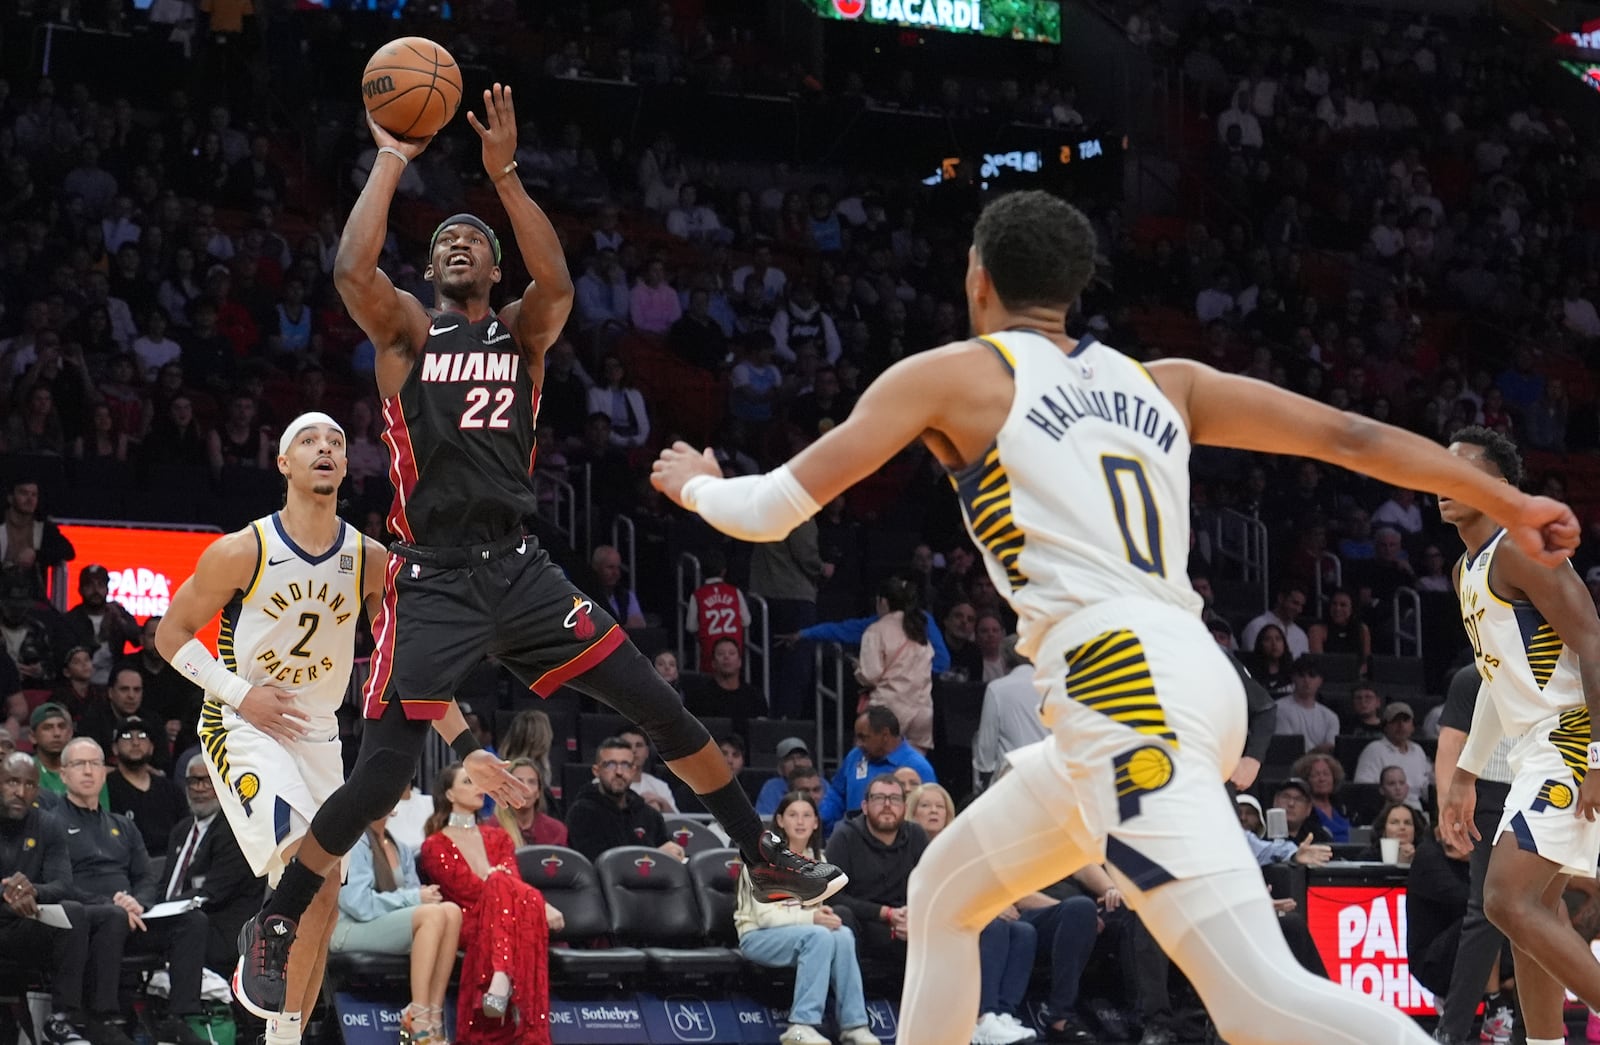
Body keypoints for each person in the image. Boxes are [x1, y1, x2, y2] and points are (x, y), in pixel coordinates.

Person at [650, 190, 1578, 1045]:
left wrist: (694, 482)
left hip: (1120, 686)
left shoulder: (958, 377)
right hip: (1189, 673)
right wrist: (1508, 498)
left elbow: (770, 507)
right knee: (944, 889)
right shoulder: (1163, 380)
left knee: (1254, 996)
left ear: (977, 278)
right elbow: (1352, 437)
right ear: (1075, 288)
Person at [231, 86, 839, 1021]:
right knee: (383, 775)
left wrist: (506, 177)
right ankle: (273, 921)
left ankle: (761, 849)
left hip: (520, 568)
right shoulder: (405, 334)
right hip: (430, 576)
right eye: (443, 242)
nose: (457, 244)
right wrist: (392, 155)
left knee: (664, 709)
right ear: (430, 270)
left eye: (473, 239)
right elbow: (353, 266)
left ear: (495, 262)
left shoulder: (520, 332)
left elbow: (556, 284)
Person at [153, 412, 385, 1043]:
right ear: (283, 464)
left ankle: (285, 1036)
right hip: (244, 722)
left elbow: (401, 651)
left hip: (320, 733)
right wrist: (240, 693)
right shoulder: (243, 549)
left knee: (329, 886)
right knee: (300, 870)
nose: (325, 449)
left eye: (336, 442)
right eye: (309, 441)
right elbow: (169, 636)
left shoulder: (369, 559)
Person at [1440, 425, 1600, 1045]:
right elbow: (1492, 681)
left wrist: (1594, 757)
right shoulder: (1466, 570)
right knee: (1536, 913)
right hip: (1535, 745)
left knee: (1507, 900)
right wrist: (1464, 773)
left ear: (1500, 487)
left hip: (1569, 737)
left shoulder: (1521, 549)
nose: (1443, 486)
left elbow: (1592, 640)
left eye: (1463, 472)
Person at [57, 738, 208, 1045]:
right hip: (87, 919)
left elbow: (146, 877)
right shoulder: (52, 823)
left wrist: (137, 903)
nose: (88, 771)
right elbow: (59, 883)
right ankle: (102, 1019)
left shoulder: (122, 826)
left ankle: (176, 1018)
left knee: (193, 920)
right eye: (78, 764)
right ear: (63, 774)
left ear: (104, 771)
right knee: (111, 916)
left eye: (95, 764)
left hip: (132, 917)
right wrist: (112, 904)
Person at [420, 762, 557, 1045]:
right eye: (468, 782)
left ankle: (501, 975)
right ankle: (503, 978)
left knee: (508, 888)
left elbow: (513, 882)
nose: (479, 788)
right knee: (509, 889)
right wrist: (541, 904)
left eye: (479, 783)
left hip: (504, 921)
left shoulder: (499, 836)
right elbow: (467, 890)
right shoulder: (435, 845)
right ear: (449, 795)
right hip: (469, 920)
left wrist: (498, 881)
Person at [0, 752, 131, 1045]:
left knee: (103, 914)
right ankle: (66, 1018)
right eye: (11, 782)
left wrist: (32, 890)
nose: (20, 792)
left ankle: (87, 1018)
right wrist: (7, 892)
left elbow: (63, 885)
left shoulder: (47, 823)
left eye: (29, 785)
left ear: (38, 789)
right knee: (74, 912)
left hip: (28, 920)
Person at [734, 792, 881, 1045]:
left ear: (815, 822)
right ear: (780, 820)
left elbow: (813, 914)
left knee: (843, 935)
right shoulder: (760, 859)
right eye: (792, 815)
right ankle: (801, 1025)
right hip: (756, 937)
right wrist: (813, 918)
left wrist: (821, 916)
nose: (800, 822)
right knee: (820, 936)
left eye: (807, 815)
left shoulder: (818, 860)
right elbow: (766, 918)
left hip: (802, 936)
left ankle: (854, 1025)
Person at [1432, 664, 1520, 1045]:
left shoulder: (1558, 664)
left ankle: (1536, 1029)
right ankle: (1451, 1030)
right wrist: (1446, 810)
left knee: (1540, 909)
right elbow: (1450, 744)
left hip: (1547, 790)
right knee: (1486, 909)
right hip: (1487, 793)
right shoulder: (1471, 676)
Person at [331, 811, 462, 1045]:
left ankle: (433, 1016)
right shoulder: (352, 842)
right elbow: (358, 904)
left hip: (382, 923)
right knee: (431, 915)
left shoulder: (399, 846)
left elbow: (413, 893)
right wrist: (413, 898)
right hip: (348, 927)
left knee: (451, 912)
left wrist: (418, 897)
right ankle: (417, 1017)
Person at [160, 755, 264, 980]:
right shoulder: (181, 830)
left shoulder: (236, 830)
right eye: (193, 781)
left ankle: (184, 1011)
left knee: (189, 927)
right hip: (175, 921)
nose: (199, 788)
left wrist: (162, 911)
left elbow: (213, 894)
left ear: (223, 783)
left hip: (219, 928)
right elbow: (165, 884)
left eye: (207, 781)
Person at [563, 737, 685, 864]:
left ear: (633, 770)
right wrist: (656, 855)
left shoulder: (650, 815)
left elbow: (668, 854)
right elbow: (598, 864)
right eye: (610, 765)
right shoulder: (581, 813)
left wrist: (674, 853)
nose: (619, 772)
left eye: (626, 765)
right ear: (596, 771)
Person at [818, 707, 937, 833]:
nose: (859, 743)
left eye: (864, 737)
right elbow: (837, 794)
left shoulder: (918, 767)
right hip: (852, 841)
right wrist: (819, 820)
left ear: (885, 735)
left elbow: (929, 812)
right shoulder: (855, 756)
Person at [854, 575, 935, 753]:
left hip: (887, 710)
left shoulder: (876, 630)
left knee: (872, 770)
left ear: (882, 601)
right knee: (913, 774)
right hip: (921, 711)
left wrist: (857, 670)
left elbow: (870, 674)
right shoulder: (920, 632)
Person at [495, 757, 568, 846]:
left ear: (538, 792)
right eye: (518, 782)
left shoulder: (556, 831)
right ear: (506, 789)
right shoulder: (492, 828)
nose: (526, 788)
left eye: (532, 782)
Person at [755, 737, 816, 815]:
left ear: (810, 762)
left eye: (801, 757)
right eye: (790, 759)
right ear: (780, 767)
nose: (797, 763)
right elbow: (764, 819)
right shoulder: (772, 788)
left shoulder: (821, 784)